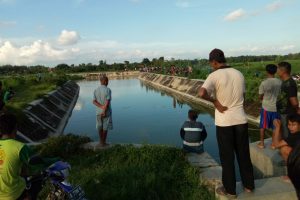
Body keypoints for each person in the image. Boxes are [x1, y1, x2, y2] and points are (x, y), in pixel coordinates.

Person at [199, 48, 254, 198]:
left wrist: (215, 102)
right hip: (241, 119)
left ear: (214, 62)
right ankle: (249, 186)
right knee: (244, 154)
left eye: (211, 63)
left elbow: (201, 93)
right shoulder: (239, 74)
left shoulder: (214, 75)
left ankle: (230, 190)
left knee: (227, 157)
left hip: (224, 122)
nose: (211, 66)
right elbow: (243, 95)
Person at [0, 113, 43, 199]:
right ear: (15, 128)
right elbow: (31, 169)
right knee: (39, 177)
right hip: (12, 194)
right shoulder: (20, 147)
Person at [257, 64, 282, 149]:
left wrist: (263, 98)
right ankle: (274, 144)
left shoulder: (264, 83)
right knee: (275, 126)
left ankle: (262, 143)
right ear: (275, 71)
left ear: (267, 71)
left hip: (266, 108)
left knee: (263, 126)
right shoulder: (279, 82)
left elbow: (260, 96)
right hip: (276, 108)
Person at [276, 61, 299, 139]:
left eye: (278, 69)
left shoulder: (290, 84)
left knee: (287, 133)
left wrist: (297, 109)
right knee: (284, 131)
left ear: (283, 71)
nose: (277, 71)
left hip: (287, 113)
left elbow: (294, 102)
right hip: (283, 112)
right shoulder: (285, 82)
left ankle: (289, 150)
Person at [93, 75, 113, 147]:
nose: (108, 82)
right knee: (105, 128)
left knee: (99, 127)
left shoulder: (96, 90)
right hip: (106, 112)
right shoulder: (108, 90)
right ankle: (103, 143)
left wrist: (101, 107)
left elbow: (94, 101)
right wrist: (104, 110)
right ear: (104, 81)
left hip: (98, 112)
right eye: (107, 81)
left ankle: (100, 142)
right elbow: (107, 101)